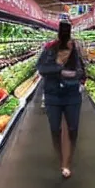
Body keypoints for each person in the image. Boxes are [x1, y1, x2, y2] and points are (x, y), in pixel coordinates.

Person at [37, 21, 85, 178]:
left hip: (72, 95)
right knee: (55, 129)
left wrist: (78, 77)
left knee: (73, 128)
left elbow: (82, 70)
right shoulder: (49, 49)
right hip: (53, 95)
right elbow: (41, 68)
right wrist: (60, 70)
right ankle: (60, 158)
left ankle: (67, 162)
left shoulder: (75, 49)